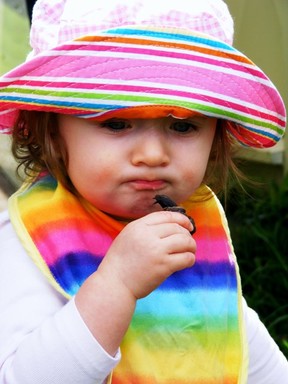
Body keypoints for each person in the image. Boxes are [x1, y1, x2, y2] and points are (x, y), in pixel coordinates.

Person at [0, 0, 287, 383]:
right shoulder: (29, 239)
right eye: (117, 123)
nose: (153, 154)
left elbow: (238, 342)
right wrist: (116, 285)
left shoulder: (192, 226)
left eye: (183, 127)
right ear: (51, 130)